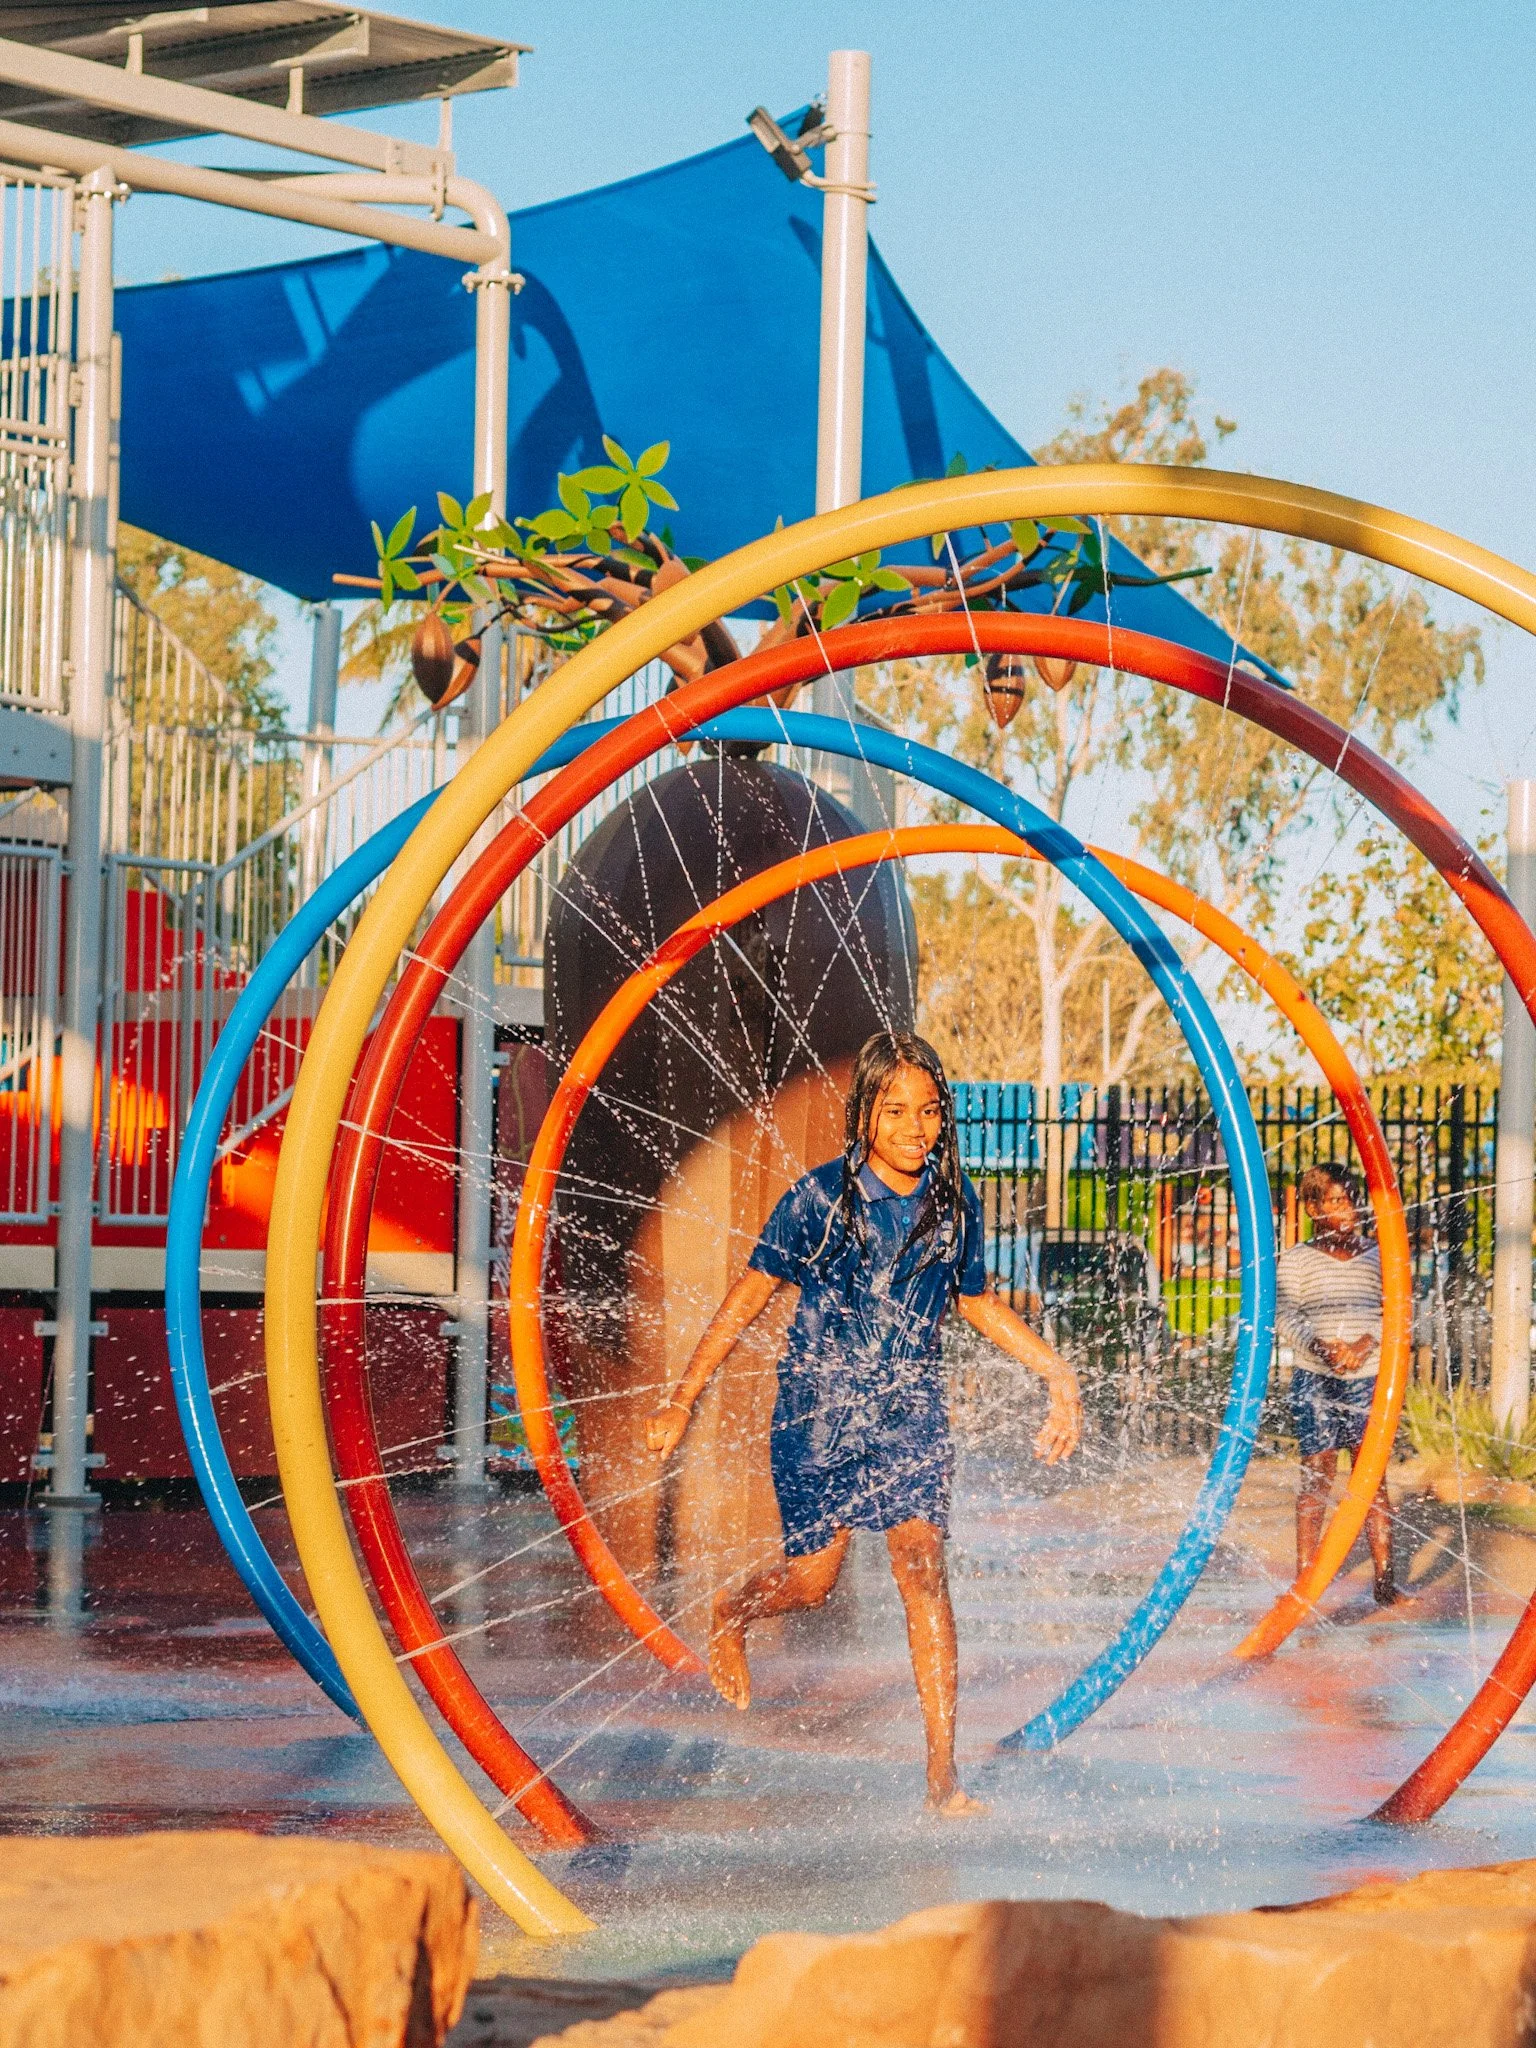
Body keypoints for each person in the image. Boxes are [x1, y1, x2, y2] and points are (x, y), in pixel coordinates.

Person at [646, 1030, 1083, 1815]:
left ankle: (943, 1778)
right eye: (896, 1110)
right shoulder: (819, 1200)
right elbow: (744, 1302)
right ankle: (732, 1610)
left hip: (911, 1413)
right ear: (865, 1117)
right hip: (818, 1416)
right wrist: (684, 1398)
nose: (915, 1127)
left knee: (922, 1570)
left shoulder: (954, 1207)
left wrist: (1056, 1370)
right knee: (814, 1583)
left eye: (929, 1111)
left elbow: (975, 1302)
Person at [1277, 1161, 1405, 1607]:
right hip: (1315, 1377)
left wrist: (1365, 1343)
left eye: (1349, 1198)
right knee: (1317, 1474)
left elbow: (1398, 1310)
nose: (1346, 1208)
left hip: (1368, 1378)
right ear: (1312, 1208)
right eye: (1333, 1201)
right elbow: (1285, 1314)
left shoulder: (1377, 1255)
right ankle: (1305, 1584)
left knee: (1372, 1480)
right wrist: (1320, 1344)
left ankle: (1385, 1583)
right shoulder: (1296, 1261)